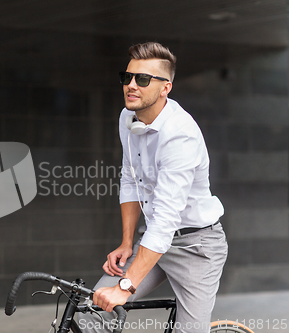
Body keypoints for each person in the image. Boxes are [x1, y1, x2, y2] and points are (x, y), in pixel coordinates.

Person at [78, 42, 228, 333]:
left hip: (196, 246)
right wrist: (126, 242)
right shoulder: (128, 117)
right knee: (90, 314)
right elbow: (131, 179)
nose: (131, 86)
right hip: (154, 239)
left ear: (165, 88)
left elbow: (166, 219)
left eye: (143, 79)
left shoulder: (179, 135)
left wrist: (125, 286)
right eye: (127, 77)